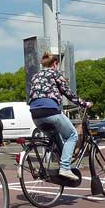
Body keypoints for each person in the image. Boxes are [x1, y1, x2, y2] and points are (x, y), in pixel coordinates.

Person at [28, 52, 91, 181]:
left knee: (57, 136)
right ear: (55, 64)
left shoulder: (35, 76)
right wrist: (84, 104)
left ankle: (60, 169)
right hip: (50, 111)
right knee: (72, 135)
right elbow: (68, 93)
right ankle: (65, 167)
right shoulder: (55, 73)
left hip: (35, 114)